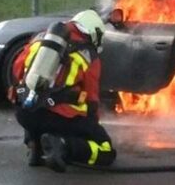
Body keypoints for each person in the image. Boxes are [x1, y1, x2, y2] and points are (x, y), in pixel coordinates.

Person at [9, 10, 116, 173]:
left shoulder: (40, 40)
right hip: (60, 118)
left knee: (35, 102)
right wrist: (91, 126)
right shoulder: (89, 56)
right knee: (106, 150)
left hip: (24, 112)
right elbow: (92, 99)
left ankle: (35, 149)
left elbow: (17, 70)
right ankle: (62, 146)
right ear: (94, 32)